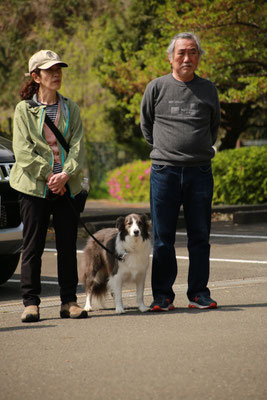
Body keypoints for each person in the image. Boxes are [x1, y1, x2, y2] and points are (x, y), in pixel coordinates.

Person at [140, 32, 220, 311]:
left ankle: (198, 293)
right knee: (163, 238)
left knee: (200, 236)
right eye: (181, 53)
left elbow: (213, 128)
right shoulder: (156, 87)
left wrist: (194, 150)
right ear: (171, 57)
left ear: (198, 56)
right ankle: (162, 296)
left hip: (199, 171)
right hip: (165, 171)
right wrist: (165, 151)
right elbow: (146, 126)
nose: (187, 58)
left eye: (193, 52)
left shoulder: (208, 89)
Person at [10, 49, 88, 322]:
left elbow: (78, 147)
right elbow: (22, 151)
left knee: (67, 245)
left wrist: (65, 175)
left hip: (67, 186)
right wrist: (50, 176)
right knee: (33, 246)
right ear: (36, 76)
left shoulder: (71, 108)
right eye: (49, 70)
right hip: (34, 187)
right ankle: (31, 303)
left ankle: (70, 301)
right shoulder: (24, 110)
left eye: (59, 69)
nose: (56, 74)